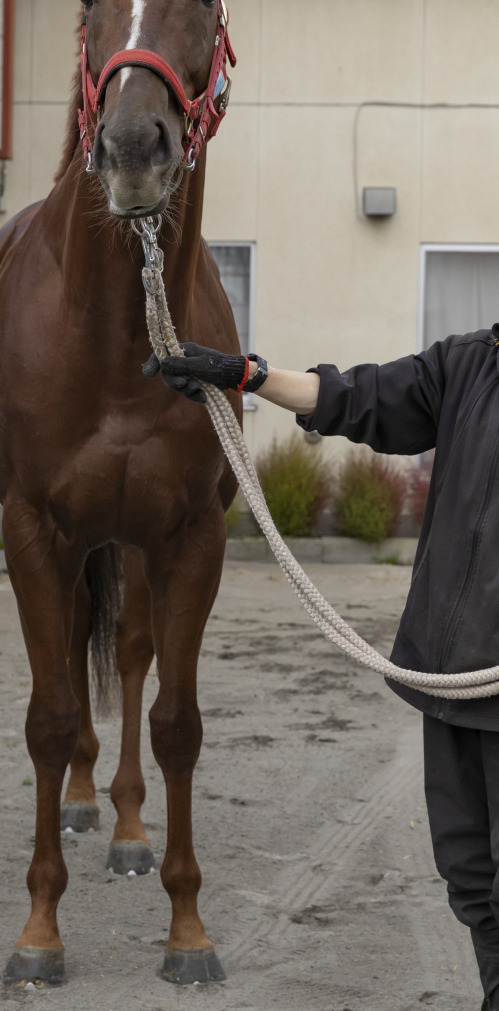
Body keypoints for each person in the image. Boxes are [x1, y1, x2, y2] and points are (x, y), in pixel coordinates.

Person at [145, 330, 499, 1011]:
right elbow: (355, 396)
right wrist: (244, 376)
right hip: (451, 684)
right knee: (473, 880)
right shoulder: (470, 363)